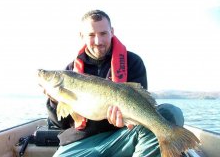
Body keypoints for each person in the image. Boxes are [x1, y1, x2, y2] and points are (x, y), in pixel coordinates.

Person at [44, 10, 184, 157]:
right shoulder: (69, 71)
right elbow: (60, 124)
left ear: (112, 32)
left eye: (103, 33)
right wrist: (53, 100)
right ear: (82, 36)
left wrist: (125, 120)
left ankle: (168, 140)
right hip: (81, 143)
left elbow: (143, 103)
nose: (98, 41)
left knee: (170, 113)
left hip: (123, 137)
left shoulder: (133, 62)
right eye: (91, 35)